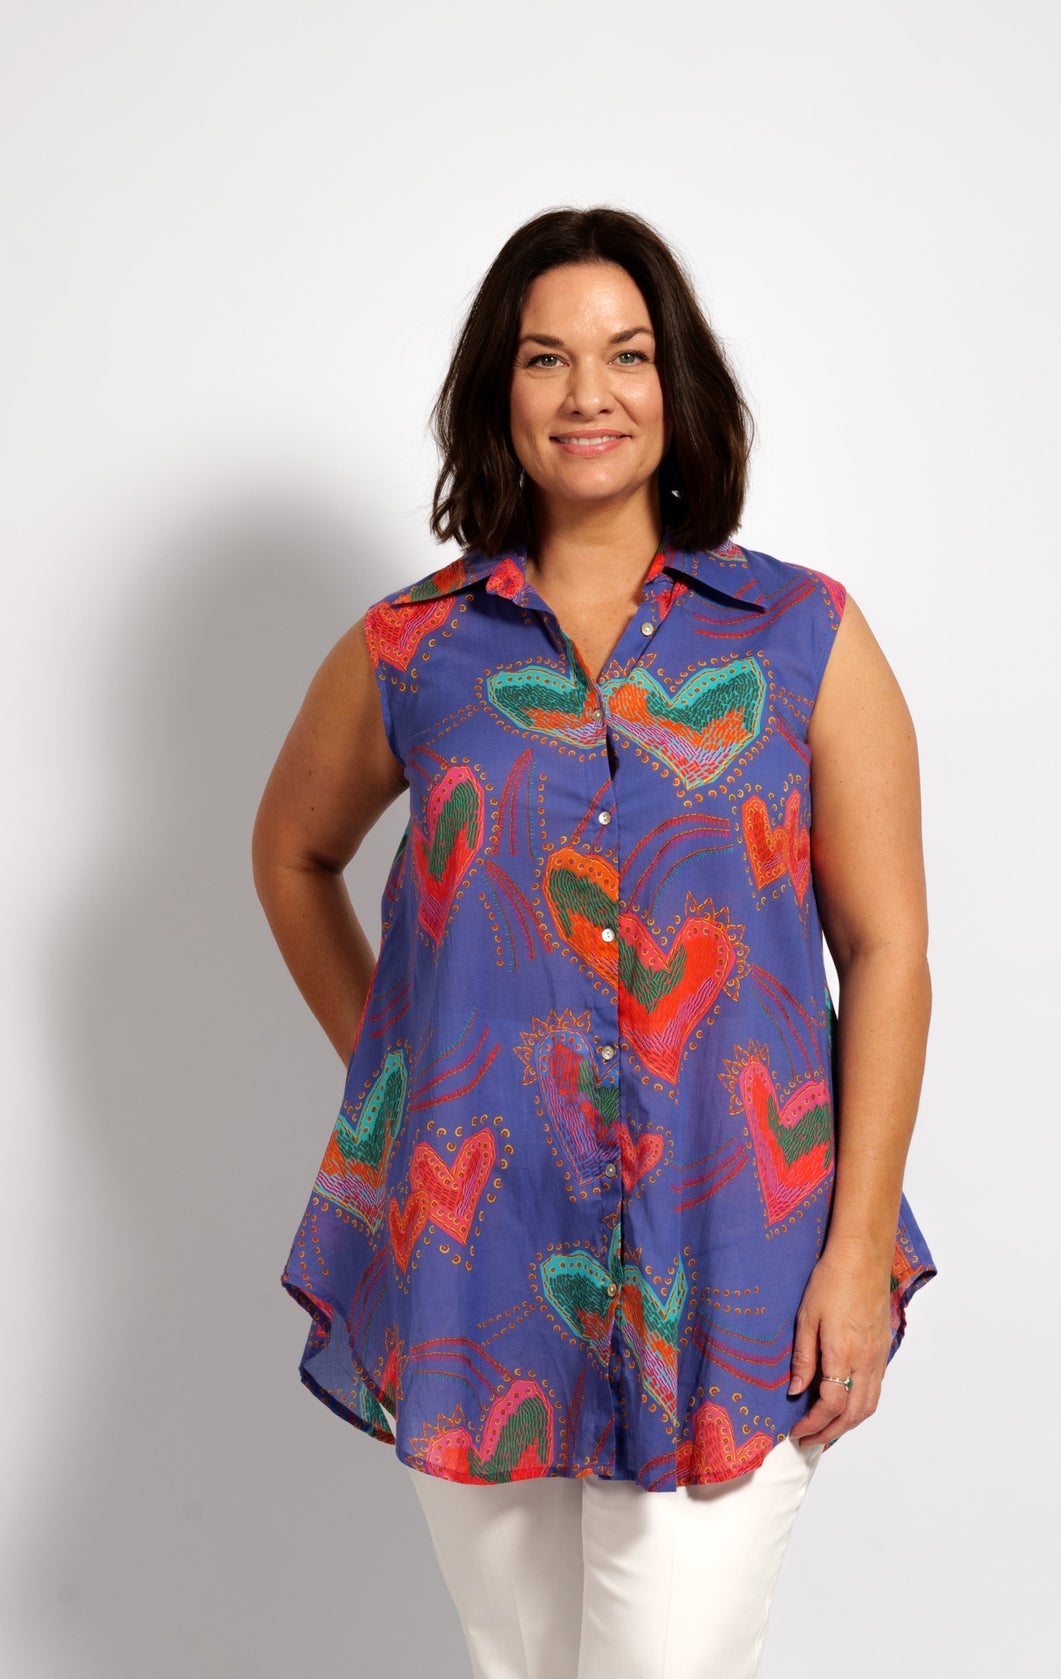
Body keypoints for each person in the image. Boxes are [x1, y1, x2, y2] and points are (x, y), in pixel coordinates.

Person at [252, 205, 937, 1679]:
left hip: (738, 1248)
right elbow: (293, 857)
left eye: (625, 356)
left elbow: (888, 953)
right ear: (498, 393)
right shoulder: (414, 645)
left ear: (675, 385)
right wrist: (403, 1080)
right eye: (546, 359)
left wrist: (860, 1242)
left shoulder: (801, 636)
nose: (588, 395)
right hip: (483, 1250)